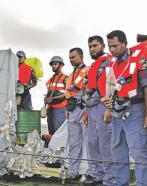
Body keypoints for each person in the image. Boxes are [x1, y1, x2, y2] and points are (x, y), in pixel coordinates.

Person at [100, 30, 147, 186]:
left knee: (140, 152)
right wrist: (107, 109)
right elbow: (111, 90)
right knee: (117, 152)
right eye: (109, 46)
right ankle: (121, 183)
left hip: (136, 110)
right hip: (117, 112)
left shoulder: (139, 59)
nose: (112, 49)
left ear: (125, 43)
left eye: (115, 46)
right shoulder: (111, 64)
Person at [83, 36, 115, 186]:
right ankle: (98, 174)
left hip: (104, 106)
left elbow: (113, 86)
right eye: (90, 46)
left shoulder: (110, 61)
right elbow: (88, 89)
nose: (92, 49)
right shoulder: (92, 66)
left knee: (105, 143)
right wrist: (85, 112)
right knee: (92, 142)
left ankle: (110, 178)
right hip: (91, 108)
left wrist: (109, 108)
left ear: (103, 45)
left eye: (95, 45)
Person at [64, 47, 88, 181]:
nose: (71, 60)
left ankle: (94, 173)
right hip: (72, 109)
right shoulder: (70, 75)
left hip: (84, 107)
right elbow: (68, 93)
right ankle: (74, 172)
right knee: (74, 142)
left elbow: (90, 90)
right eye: (69, 58)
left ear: (81, 56)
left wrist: (88, 110)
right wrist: (67, 108)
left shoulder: (88, 70)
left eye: (73, 57)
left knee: (91, 142)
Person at [45, 56, 68, 135]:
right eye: (52, 65)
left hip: (60, 108)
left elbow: (68, 94)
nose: (53, 66)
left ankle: (60, 147)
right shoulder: (49, 80)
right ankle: (53, 147)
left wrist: (53, 98)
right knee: (51, 130)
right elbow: (49, 92)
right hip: (51, 108)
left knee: (59, 131)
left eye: (55, 64)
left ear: (61, 65)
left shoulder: (65, 78)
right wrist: (46, 98)